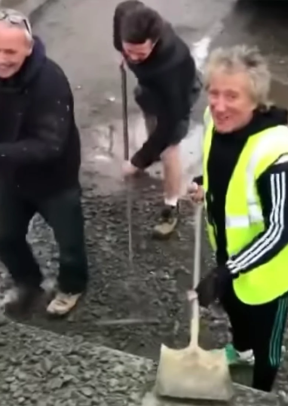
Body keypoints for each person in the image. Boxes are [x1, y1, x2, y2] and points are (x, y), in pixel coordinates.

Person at [188, 45, 288, 393]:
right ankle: (241, 353)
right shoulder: (214, 121)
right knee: (234, 308)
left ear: (255, 100)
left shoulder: (281, 155)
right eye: (214, 92)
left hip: (271, 273)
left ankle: (261, 393)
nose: (219, 104)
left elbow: (278, 231)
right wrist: (202, 183)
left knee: (267, 341)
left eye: (232, 96)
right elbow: (222, 169)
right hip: (229, 254)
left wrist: (224, 272)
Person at [0, 9, 88, 317]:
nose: (0, 59)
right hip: (11, 175)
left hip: (54, 179)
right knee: (3, 234)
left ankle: (72, 286)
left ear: (29, 47)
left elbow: (48, 145)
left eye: (10, 51)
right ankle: (28, 281)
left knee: (69, 242)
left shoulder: (51, 82)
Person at [113, 1, 201, 238]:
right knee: (153, 127)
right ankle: (148, 156)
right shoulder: (127, 16)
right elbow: (125, 6)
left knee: (168, 148)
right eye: (128, 50)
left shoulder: (172, 65)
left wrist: (138, 159)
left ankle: (172, 204)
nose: (133, 57)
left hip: (177, 95)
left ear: (156, 41)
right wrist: (123, 52)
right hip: (151, 89)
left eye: (140, 53)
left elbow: (168, 124)